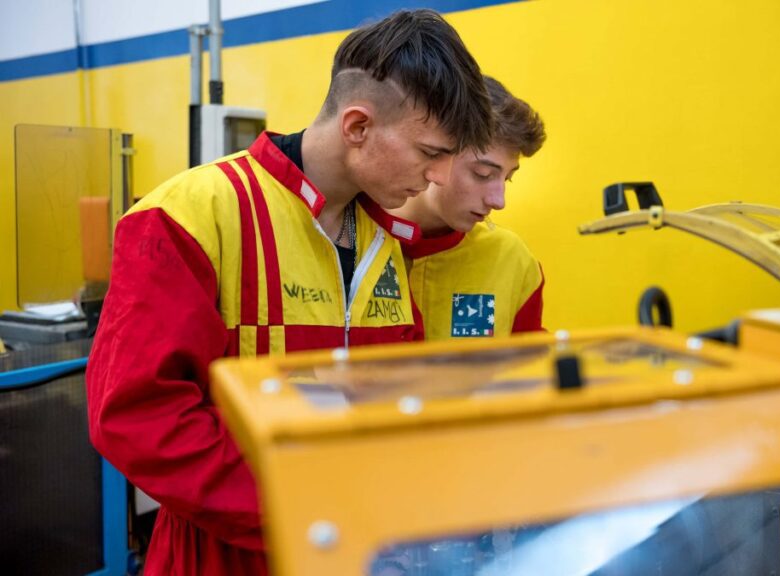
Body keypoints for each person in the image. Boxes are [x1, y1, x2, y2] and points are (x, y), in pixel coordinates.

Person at [86, 9, 491, 575]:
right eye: (429, 154)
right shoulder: (189, 216)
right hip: (225, 554)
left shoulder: (386, 241)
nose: (439, 177)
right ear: (357, 127)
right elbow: (138, 416)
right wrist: (298, 509)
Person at [391, 76, 546, 339]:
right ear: (433, 152)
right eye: (483, 174)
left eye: (508, 177)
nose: (499, 201)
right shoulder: (346, 240)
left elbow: (529, 373)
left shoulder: (512, 260)